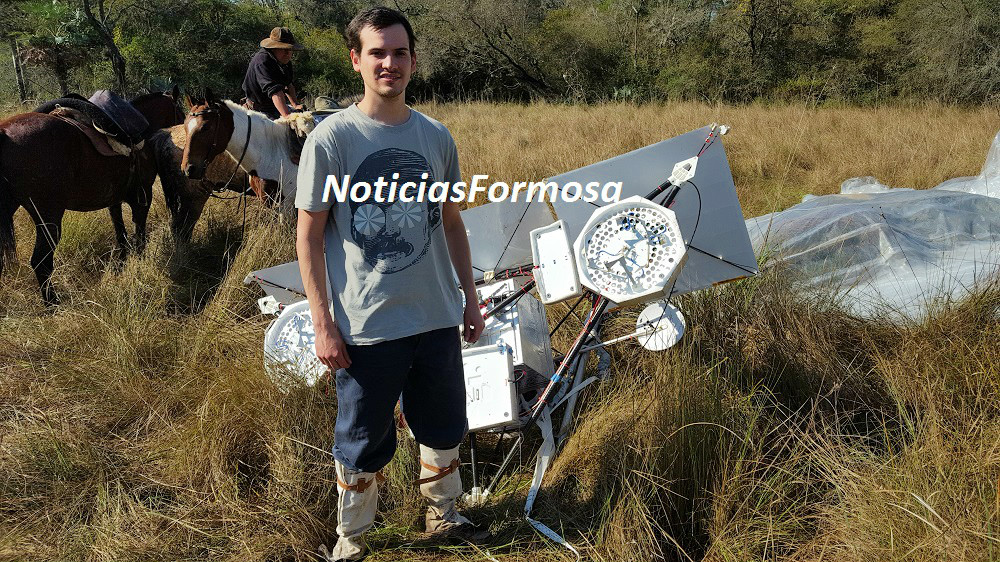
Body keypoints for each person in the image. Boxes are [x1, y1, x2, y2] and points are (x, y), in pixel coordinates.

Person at [294, 7, 489, 562]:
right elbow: (308, 236)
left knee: (444, 423)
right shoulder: (332, 141)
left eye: (399, 52)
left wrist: (469, 300)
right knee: (361, 437)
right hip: (366, 325)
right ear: (355, 60)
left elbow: (451, 222)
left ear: (412, 59)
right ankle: (353, 539)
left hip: (434, 315)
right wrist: (323, 324)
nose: (390, 63)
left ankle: (443, 514)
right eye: (377, 52)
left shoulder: (435, 137)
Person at [242, 27, 304, 119]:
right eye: (284, 49)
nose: (287, 53)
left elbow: (288, 84)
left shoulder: (284, 61)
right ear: (274, 48)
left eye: (290, 49)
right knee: (283, 131)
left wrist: (295, 104)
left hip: (274, 107)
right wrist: (287, 116)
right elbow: (274, 90)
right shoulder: (262, 61)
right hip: (258, 110)